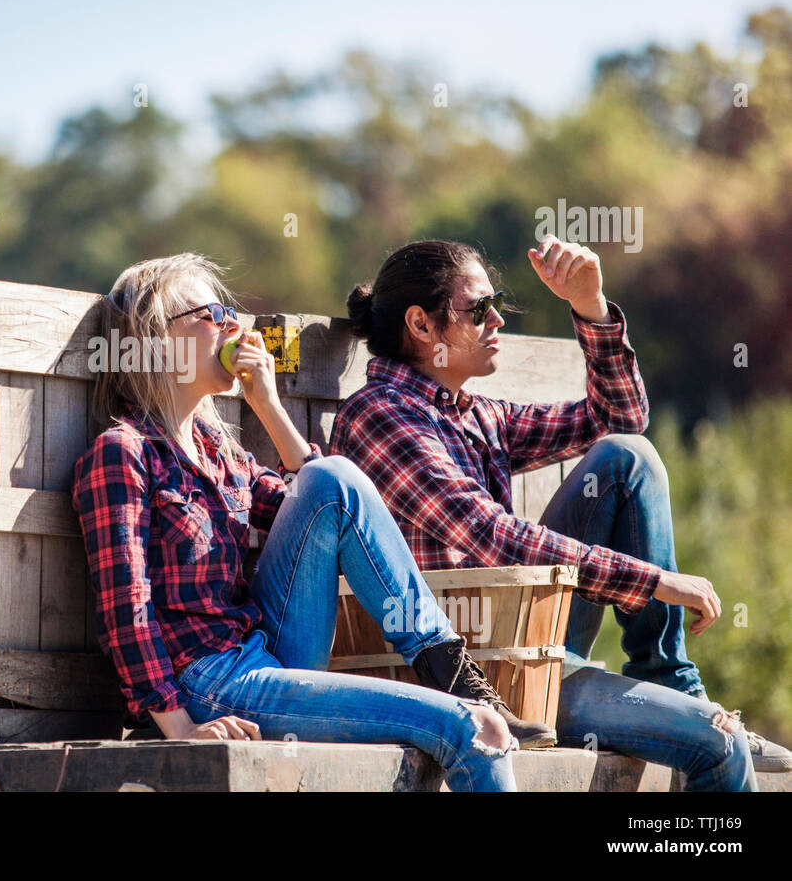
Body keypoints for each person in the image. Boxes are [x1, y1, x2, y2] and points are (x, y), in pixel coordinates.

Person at [331, 234, 787, 788]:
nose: (497, 319)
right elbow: (491, 537)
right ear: (422, 327)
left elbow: (620, 418)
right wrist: (653, 581)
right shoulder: (379, 417)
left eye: (496, 303)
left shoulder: (476, 415)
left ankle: (672, 679)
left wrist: (590, 307)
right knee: (719, 742)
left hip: (530, 646)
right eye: (478, 309)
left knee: (626, 456)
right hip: (475, 676)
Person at [70, 253, 536, 792]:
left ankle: (449, 669)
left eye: (230, 312)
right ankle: (465, 696)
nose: (232, 325)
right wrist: (180, 726)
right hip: (209, 682)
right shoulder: (122, 453)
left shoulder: (218, 451)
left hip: (268, 655)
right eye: (211, 313)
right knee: (475, 730)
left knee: (333, 475)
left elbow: (326, 497)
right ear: (158, 340)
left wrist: (267, 406)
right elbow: (125, 609)